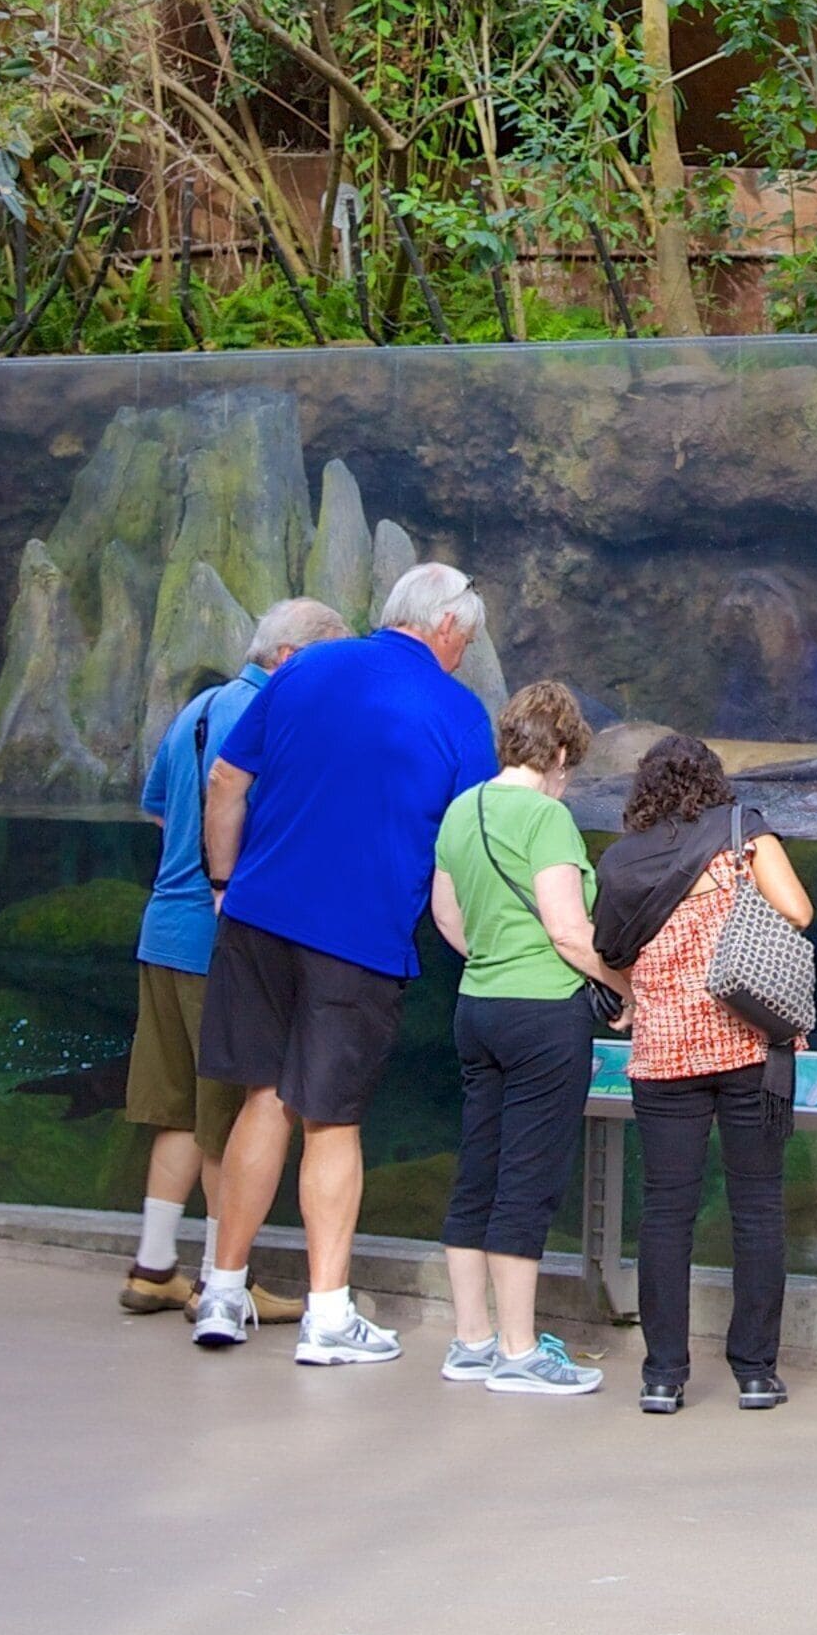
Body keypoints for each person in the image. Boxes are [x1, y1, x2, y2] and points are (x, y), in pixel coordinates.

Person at [192, 562, 496, 1364]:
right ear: (446, 631)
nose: (465, 653)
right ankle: (328, 1317)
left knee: (265, 1096)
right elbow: (472, 840)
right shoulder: (460, 714)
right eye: (468, 639)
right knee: (330, 1116)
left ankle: (221, 1293)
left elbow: (226, 778)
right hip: (356, 936)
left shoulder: (306, 666)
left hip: (257, 915)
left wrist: (223, 883)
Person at [118, 597, 343, 1322]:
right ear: (287, 659)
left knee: (177, 1111)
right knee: (231, 1116)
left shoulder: (200, 709)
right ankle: (226, 1284)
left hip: (162, 930)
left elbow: (156, 805)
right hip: (220, 940)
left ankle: (154, 1268)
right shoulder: (270, 716)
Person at [588, 734, 813, 1414]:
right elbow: (798, 913)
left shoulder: (622, 861)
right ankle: (754, 1371)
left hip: (664, 1055)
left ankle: (662, 1375)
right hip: (749, 1045)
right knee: (756, 1207)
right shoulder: (746, 834)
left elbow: (609, 951)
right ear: (715, 781)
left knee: (665, 1213)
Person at [424, 680, 626, 1399]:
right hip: (544, 1013)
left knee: (477, 1169)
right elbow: (570, 929)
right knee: (528, 1180)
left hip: (476, 1007)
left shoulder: (460, 809)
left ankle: (471, 1340)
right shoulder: (547, 820)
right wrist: (624, 988)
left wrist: (493, 955)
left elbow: (447, 915)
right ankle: (518, 1350)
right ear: (563, 751)